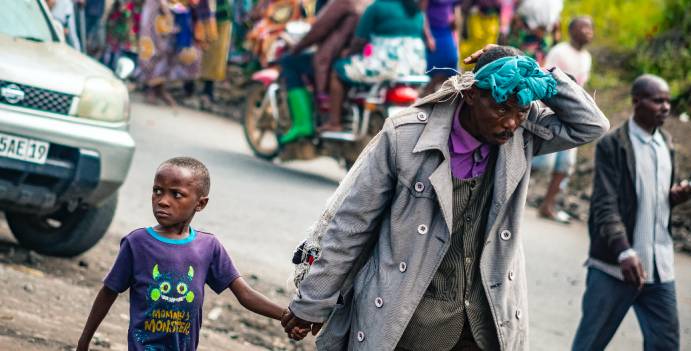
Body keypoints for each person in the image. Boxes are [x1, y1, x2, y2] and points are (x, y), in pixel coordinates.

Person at [281, 45, 609, 350]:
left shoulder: (521, 137)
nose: (510, 122)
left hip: (481, 326)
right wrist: (313, 301)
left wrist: (537, 70)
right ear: (469, 95)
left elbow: (591, 124)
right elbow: (352, 224)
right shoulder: (406, 137)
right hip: (409, 324)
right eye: (500, 108)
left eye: (521, 111)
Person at [76, 157, 287, 350]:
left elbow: (245, 294)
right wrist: (83, 342)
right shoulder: (137, 243)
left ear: (200, 203)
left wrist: (289, 316)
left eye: (176, 194)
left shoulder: (208, 246)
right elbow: (108, 292)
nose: (163, 201)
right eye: (157, 191)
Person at [572, 75, 691, 351]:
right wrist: (624, 251)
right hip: (615, 267)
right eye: (658, 100)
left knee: (666, 344)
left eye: (668, 101)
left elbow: (649, 201)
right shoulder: (613, 144)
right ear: (636, 102)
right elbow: (606, 204)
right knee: (589, 343)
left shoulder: (667, 143)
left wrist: (673, 197)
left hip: (659, 268)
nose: (665, 107)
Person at [319, 0, 427, 132]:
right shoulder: (416, 11)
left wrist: (348, 54)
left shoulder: (377, 7)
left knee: (338, 70)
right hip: (414, 69)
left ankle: (334, 123)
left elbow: (359, 41)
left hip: (386, 67)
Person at [277, 0, 372, 144]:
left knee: (289, 61)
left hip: (333, 56)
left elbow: (319, 29)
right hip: (359, 55)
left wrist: (298, 47)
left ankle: (303, 123)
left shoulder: (345, 2)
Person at [532, 16, 594, 223]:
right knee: (541, 162)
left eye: (590, 28)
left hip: (572, 114)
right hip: (552, 109)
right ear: (571, 30)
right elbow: (547, 77)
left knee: (566, 164)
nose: (587, 31)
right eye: (582, 27)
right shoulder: (559, 51)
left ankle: (547, 205)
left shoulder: (587, 57)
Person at [138, 0, 215, 106]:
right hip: (157, 7)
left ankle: (160, 87)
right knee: (154, 45)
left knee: (171, 48)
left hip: (177, 9)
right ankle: (151, 87)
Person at [198, 0, 235, 107]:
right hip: (206, 16)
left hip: (222, 19)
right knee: (205, 52)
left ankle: (207, 91)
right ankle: (197, 89)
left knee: (217, 57)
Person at [420, 0, 459, 95]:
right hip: (432, 31)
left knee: (451, 63)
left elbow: (454, 10)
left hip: (446, 32)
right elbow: (422, 12)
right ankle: (427, 95)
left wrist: (455, 36)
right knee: (431, 68)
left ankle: (441, 96)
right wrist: (428, 36)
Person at [508, 0, 563, 64]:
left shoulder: (527, 6)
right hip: (537, 43)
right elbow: (556, 29)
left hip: (529, 42)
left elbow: (516, 22)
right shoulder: (554, 4)